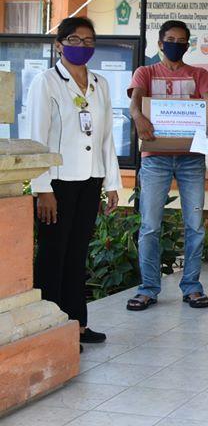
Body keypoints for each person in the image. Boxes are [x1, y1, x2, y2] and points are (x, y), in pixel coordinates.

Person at [27, 17, 120, 348]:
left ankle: (77, 324)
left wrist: (111, 183)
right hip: (58, 183)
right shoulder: (47, 81)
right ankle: (50, 328)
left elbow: (107, 137)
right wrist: (42, 188)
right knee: (54, 254)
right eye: (75, 40)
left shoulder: (100, 83)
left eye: (89, 40)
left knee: (78, 253)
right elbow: (37, 137)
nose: (82, 46)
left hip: (90, 178)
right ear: (59, 44)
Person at [126, 20, 208, 311]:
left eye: (182, 41)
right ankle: (148, 288)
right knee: (150, 226)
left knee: (195, 225)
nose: (175, 44)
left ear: (187, 45)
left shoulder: (199, 74)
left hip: (192, 158)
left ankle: (192, 286)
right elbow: (135, 102)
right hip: (155, 159)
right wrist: (138, 117)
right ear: (159, 43)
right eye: (170, 39)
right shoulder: (145, 72)